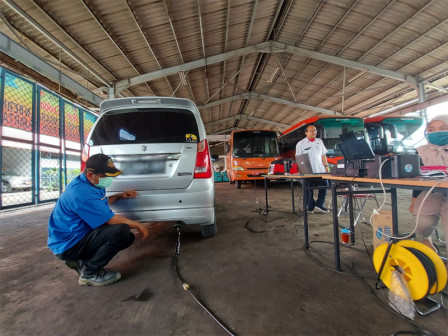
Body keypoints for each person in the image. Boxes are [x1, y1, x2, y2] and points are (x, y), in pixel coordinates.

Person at [47, 153, 149, 287]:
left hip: (74, 238)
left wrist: (119, 196)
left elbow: (98, 204)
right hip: (68, 245)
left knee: (127, 237)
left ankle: (81, 262)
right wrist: (138, 225)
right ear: (90, 175)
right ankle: (89, 273)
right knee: (121, 231)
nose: (108, 180)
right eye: (105, 176)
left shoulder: (89, 183)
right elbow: (111, 220)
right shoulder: (80, 193)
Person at [409, 115, 448, 253]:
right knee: (422, 226)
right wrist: (414, 202)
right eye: (432, 129)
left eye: (443, 128)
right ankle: (428, 243)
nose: (436, 132)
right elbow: (417, 180)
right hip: (430, 193)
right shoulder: (421, 151)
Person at [296, 124, 331, 213]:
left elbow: (323, 155)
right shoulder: (301, 144)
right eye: (311, 131)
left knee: (325, 185)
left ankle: (319, 204)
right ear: (306, 133)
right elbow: (299, 158)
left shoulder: (319, 141)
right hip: (307, 171)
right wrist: (302, 170)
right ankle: (310, 206)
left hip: (320, 170)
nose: (314, 132)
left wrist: (326, 166)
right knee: (308, 189)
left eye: (315, 130)